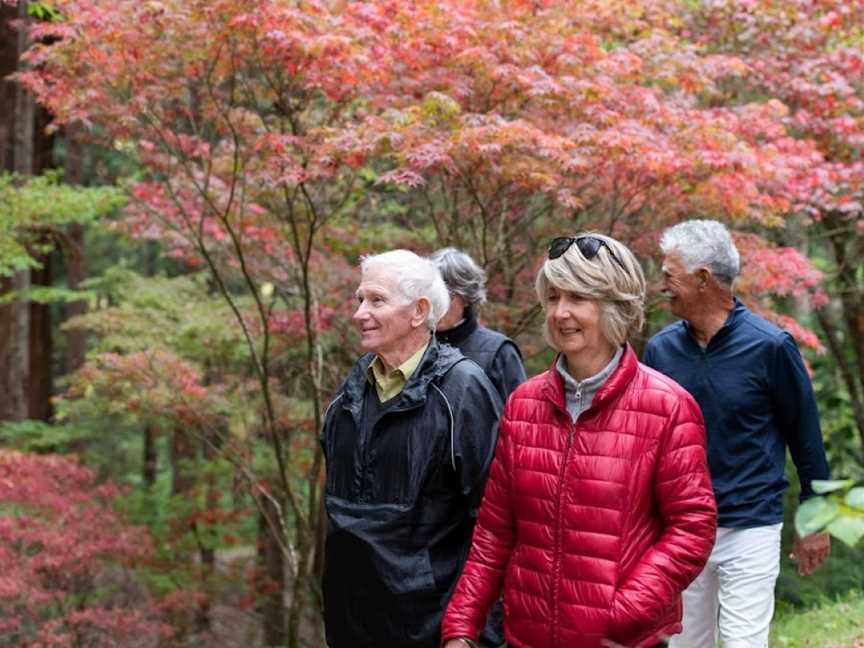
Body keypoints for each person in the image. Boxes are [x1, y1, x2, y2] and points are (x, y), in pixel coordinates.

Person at [441, 233, 717, 648]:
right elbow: (495, 530)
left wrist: (620, 615)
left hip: (620, 641)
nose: (560, 312)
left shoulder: (668, 406)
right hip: (528, 637)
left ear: (614, 304)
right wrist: (461, 627)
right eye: (552, 298)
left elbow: (692, 527)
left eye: (578, 298)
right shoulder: (524, 403)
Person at [643, 219, 831, 648]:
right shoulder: (660, 350)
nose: (662, 285)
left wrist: (815, 519)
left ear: (703, 279)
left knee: (743, 641)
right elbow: (647, 446)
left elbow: (807, 438)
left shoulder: (771, 347)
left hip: (751, 525)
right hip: (682, 527)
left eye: (669, 275)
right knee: (687, 644)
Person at [320, 249, 502, 648]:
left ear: (419, 311)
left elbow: (494, 525)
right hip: (351, 627)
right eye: (360, 300)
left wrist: (474, 633)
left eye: (377, 300)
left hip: (433, 629)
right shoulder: (346, 397)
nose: (359, 313)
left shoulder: (462, 391)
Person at [430, 249, 526, 647]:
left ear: (462, 297)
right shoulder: (416, 351)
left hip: (484, 518)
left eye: (436, 292)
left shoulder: (497, 352)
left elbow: (522, 436)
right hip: (432, 524)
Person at [431, 247, 527, 403]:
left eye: (447, 296)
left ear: (467, 297)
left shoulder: (499, 352)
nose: (437, 305)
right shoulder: (414, 348)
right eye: (432, 295)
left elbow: (519, 416)